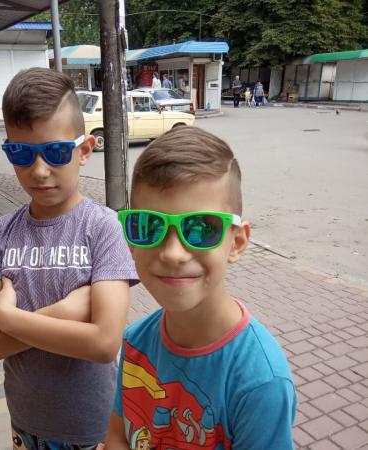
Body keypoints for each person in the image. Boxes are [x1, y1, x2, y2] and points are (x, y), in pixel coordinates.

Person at [0, 68, 138, 450]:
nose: (39, 170)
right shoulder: (0, 234)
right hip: (25, 422)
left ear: (84, 151)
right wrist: (64, 313)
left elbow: (104, 343)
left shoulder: (103, 228)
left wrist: (7, 318)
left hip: (91, 428)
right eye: (21, 154)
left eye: (56, 152)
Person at [104, 126, 297, 450]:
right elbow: (117, 435)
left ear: (236, 242)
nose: (173, 253)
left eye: (202, 229)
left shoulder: (260, 382)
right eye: (149, 226)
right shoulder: (135, 342)